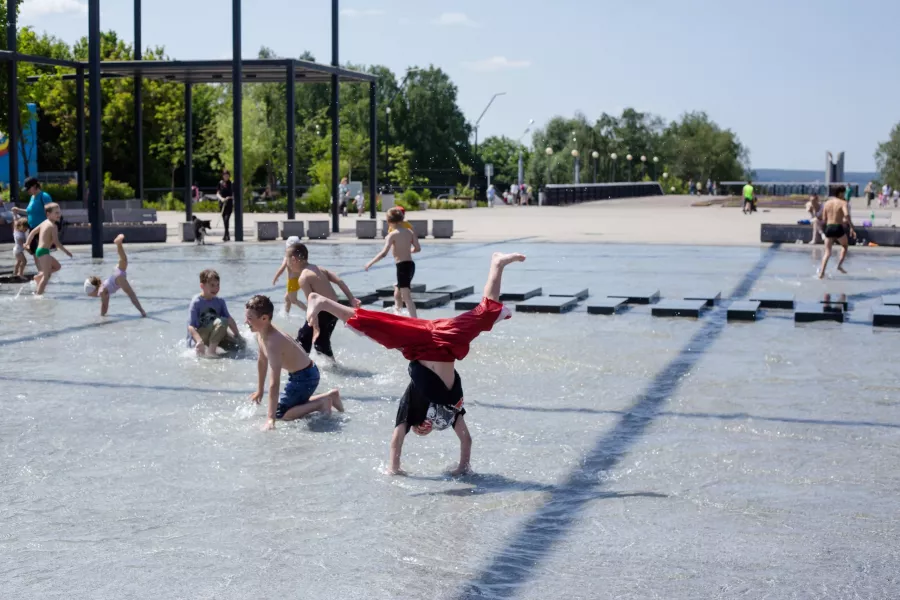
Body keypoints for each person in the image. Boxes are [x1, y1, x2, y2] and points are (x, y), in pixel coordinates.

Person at [305, 252, 525, 475]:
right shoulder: (449, 413)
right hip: (447, 340)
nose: (421, 431)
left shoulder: (411, 406)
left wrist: (393, 469)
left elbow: (397, 439)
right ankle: (497, 263)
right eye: (424, 431)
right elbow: (466, 440)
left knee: (376, 325)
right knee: (486, 314)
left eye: (418, 431)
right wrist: (463, 468)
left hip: (421, 340)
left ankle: (323, 302)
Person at [245, 294, 342, 431]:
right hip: (305, 373)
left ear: (264, 318)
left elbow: (274, 383)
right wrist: (259, 390)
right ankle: (330, 396)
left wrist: (270, 419)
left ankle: (322, 403)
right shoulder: (261, 334)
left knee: (282, 414)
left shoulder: (273, 342)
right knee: (289, 406)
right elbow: (262, 361)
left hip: (305, 377)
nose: (246, 321)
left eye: (249, 318)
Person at [288, 242, 359, 360]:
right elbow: (339, 281)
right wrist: (351, 298)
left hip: (322, 313)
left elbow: (312, 303)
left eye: (287, 260)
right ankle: (333, 366)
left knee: (303, 339)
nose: (287, 264)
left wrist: (314, 325)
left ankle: (298, 366)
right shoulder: (319, 269)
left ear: (294, 259)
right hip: (334, 310)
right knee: (322, 343)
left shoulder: (303, 278)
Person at [364, 207, 421, 318]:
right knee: (398, 291)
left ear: (389, 221)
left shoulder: (392, 235)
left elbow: (384, 253)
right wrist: (407, 250)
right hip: (410, 265)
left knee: (406, 297)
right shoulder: (409, 232)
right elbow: (418, 248)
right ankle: (398, 313)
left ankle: (415, 320)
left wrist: (370, 263)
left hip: (402, 266)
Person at [83, 234, 147, 317]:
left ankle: (142, 311)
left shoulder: (101, 291)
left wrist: (102, 316)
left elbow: (105, 305)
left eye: (91, 295)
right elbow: (106, 301)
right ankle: (119, 244)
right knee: (123, 260)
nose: (93, 296)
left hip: (118, 279)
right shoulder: (103, 288)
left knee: (131, 294)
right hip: (116, 275)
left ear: (94, 290)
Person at [186, 269, 246, 357]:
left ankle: (213, 348)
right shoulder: (196, 302)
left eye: (218, 285)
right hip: (201, 336)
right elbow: (191, 327)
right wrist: (199, 341)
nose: (216, 288)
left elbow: (229, 319)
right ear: (202, 286)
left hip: (214, 335)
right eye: (212, 285)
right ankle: (211, 352)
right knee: (222, 321)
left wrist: (238, 336)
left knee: (240, 346)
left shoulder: (220, 301)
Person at [24, 203, 72, 295]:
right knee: (46, 277)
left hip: (40, 251)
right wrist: (66, 252)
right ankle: (38, 296)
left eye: (59, 212)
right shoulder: (53, 226)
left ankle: (38, 277)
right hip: (43, 252)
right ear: (48, 214)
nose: (59, 215)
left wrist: (27, 243)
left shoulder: (44, 223)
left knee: (57, 267)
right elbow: (56, 242)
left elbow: (32, 232)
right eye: (56, 213)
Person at [818, 185, 856, 279]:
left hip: (829, 227)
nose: (844, 195)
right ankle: (839, 265)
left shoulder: (827, 203)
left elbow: (824, 218)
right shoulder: (843, 203)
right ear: (840, 193)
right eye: (844, 193)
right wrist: (852, 227)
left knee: (827, 252)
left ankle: (821, 273)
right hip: (838, 228)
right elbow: (846, 215)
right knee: (845, 246)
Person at [271, 238, 308, 315]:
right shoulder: (300, 257)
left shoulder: (288, 257)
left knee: (294, 300)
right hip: (298, 280)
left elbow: (282, 268)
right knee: (287, 298)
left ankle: (308, 311)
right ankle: (286, 313)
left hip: (292, 281)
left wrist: (275, 278)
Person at [23, 177, 53, 255]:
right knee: (34, 253)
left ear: (35, 186)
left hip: (42, 229)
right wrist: (17, 210)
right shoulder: (32, 197)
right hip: (32, 228)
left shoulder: (44, 196)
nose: (27, 191)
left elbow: (51, 211)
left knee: (42, 253)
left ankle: (46, 263)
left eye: (29, 188)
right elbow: (30, 211)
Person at [217, 170, 234, 242]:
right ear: (223, 176)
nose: (226, 176)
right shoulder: (220, 183)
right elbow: (217, 193)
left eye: (227, 175)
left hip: (229, 204)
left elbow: (234, 194)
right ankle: (227, 234)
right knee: (224, 220)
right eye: (225, 175)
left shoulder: (231, 183)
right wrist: (221, 198)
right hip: (222, 204)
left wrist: (229, 197)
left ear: (229, 176)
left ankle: (226, 234)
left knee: (226, 219)